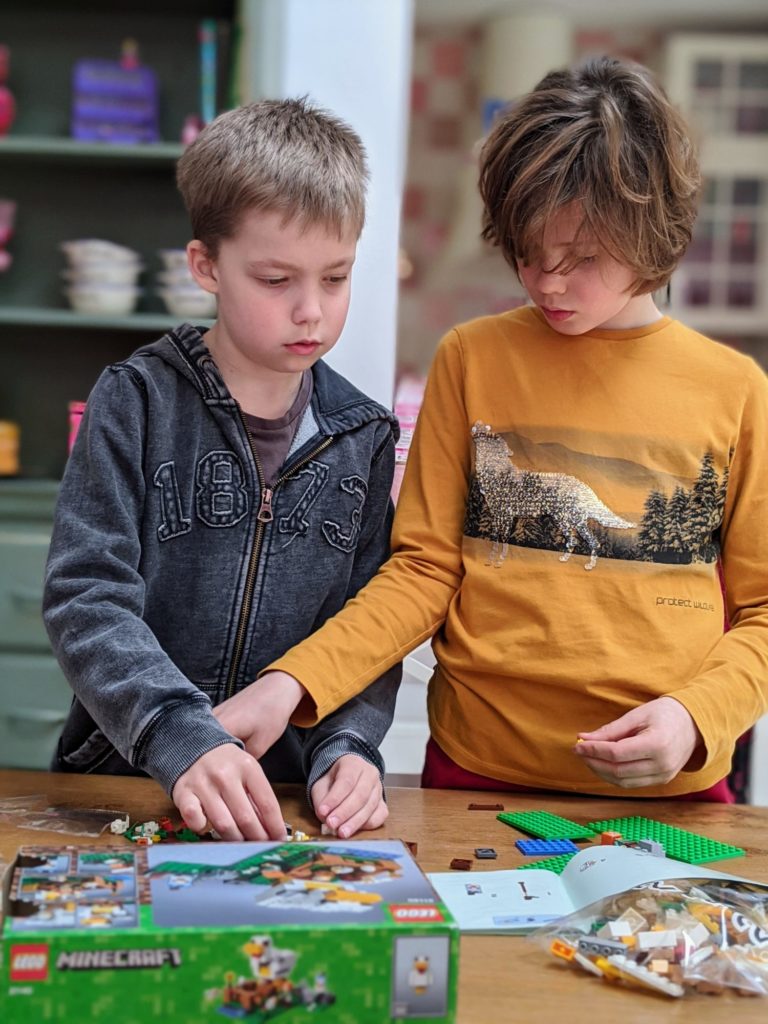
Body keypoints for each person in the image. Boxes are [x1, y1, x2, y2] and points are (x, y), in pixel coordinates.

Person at [229, 56, 768, 807]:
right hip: (475, 774)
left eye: (581, 258)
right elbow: (422, 571)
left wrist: (696, 716)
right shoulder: (471, 358)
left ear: (652, 233)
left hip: (669, 786)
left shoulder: (735, 390)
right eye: (527, 253)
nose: (547, 281)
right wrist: (294, 681)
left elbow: (762, 614)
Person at [43, 98, 401, 841]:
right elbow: (86, 597)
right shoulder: (135, 401)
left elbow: (366, 624)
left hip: (285, 802)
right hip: (130, 781)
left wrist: (350, 747)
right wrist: (178, 733)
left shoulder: (363, 436)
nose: (311, 311)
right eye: (275, 280)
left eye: (335, 278)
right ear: (205, 266)